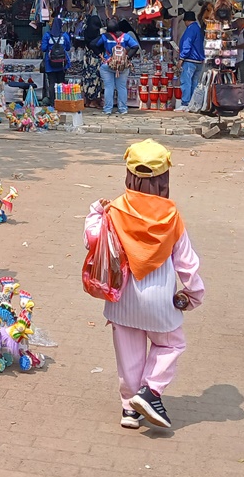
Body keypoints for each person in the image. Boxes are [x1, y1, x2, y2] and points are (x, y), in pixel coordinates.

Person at [83, 140, 204, 430]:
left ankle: (129, 408)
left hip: (122, 299)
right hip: (160, 301)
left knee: (129, 354)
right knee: (172, 343)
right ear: (164, 178)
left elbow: (92, 239)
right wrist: (193, 295)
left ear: (129, 175)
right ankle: (150, 391)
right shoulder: (171, 217)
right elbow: (187, 263)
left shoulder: (114, 210)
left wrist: (95, 211)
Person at [94, 20, 140, 115]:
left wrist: (100, 55)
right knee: (122, 87)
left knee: (108, 87)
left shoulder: (105, 37)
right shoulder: (125, 36)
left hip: (108, 63)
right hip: (122, 66)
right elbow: (135, 46)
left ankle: (107, 109)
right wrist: (127, 57)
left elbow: (93, 44)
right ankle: (123, 109)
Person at [40, 19, 71, 106]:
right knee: (61, 82)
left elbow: (43, 48)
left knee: (52, 83)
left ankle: (53, 103)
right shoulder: (64, 35)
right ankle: (61, 101)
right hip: (62, 64)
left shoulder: (47, 35)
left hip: (50, 63)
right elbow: (68, 47)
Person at [177, 11, 204, 106]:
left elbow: (187, 44)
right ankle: (193, 103)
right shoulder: (198, 29)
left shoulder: (190, 29)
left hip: (190, 60)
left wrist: (181, 58)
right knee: (194, 83)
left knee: (186, 82)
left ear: (187, 21)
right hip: (199, 61)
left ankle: (185, 103)